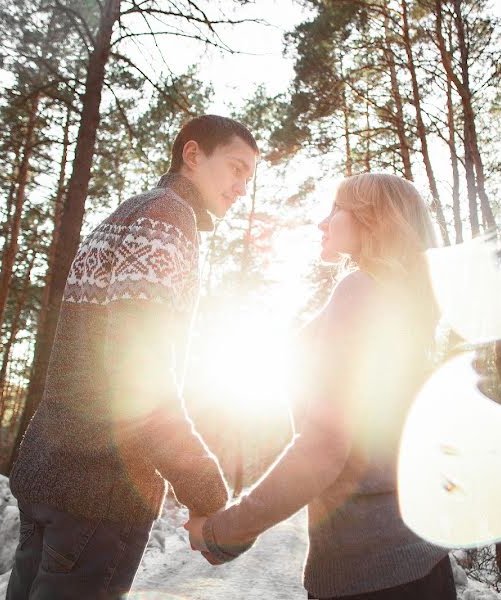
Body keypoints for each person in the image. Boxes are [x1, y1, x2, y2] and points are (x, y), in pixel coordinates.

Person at [7, 115, 258, 600]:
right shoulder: (167, 223)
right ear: (192, 155)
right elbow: (138, 378)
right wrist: (206, 495)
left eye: (248, 177)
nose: (240, 186)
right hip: (97, 490)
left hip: (48, 474)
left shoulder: (131, 212)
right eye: (234, 168)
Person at [186, 173, 458, 600]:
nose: (322, 223)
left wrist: (225, 530)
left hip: (369, 578)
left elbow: (325, 447)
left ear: (371, 221)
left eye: (335, 209)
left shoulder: (361, 290)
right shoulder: (402, 305)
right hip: (420, 564)